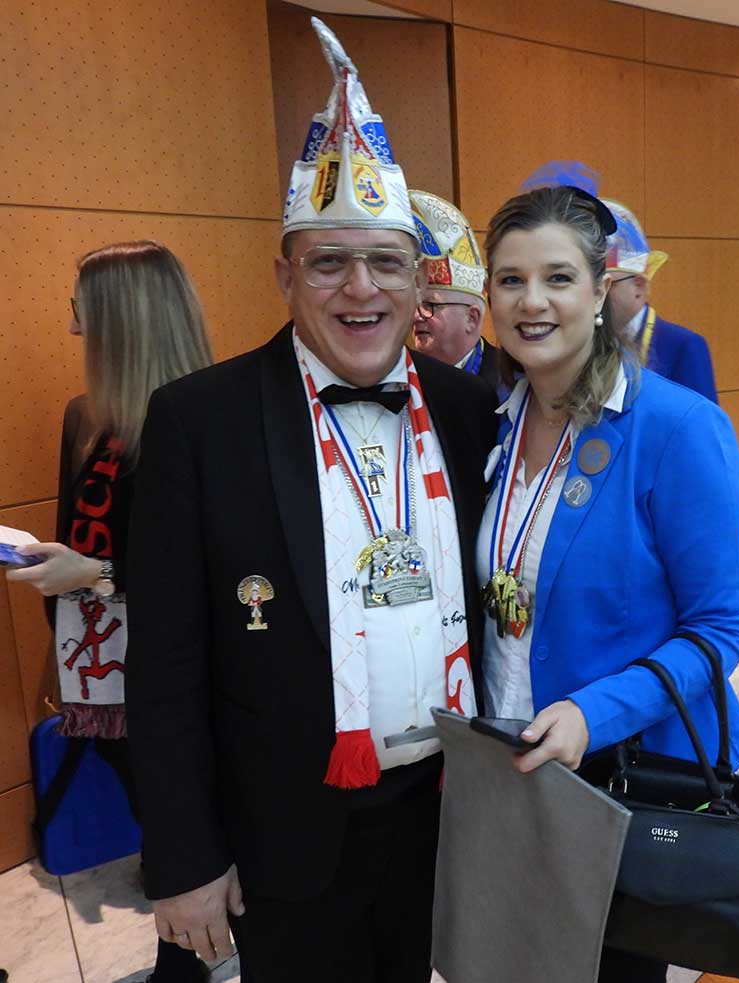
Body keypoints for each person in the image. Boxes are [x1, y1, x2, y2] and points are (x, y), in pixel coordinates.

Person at [124, 20, 496, 983]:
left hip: (445, 810)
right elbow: (162, 665)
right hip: (285, 832)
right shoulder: (197, 421)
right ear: (285, 276)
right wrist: (183, 858)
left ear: (419, 283)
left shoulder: (469, 410)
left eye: (386, 261)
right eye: (329, 261)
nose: (359, 288)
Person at [477, 184, 739, 983]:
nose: (532, 301)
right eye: (511, 279)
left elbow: (723, 626)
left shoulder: (676, 428)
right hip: (512, 756)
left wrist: (590, 713)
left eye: (558, 277)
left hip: (621, 771)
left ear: (602, 290)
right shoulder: (495, 426)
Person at [6, 240, 214, 983]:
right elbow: (89, 525)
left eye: (81, 308)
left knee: (181, 815)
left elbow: (206, 570)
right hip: (96, 657)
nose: (71, 324)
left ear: (125, 317)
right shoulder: (88, 417)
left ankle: (183, 960)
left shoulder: (197, 423)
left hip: (166, 666)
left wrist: (95, 572)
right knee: (153, 808)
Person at [603, 197, 718, 402]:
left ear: (639, 286)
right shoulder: (587, 341)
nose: (597, 295)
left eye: (608, 285)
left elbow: (703, 420)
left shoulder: (684, 345)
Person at [409, 189, 502, 394]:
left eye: (430, 305)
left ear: (472, 318)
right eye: (415, 304)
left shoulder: (512, 384)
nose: (416, 316)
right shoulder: (400, 381)